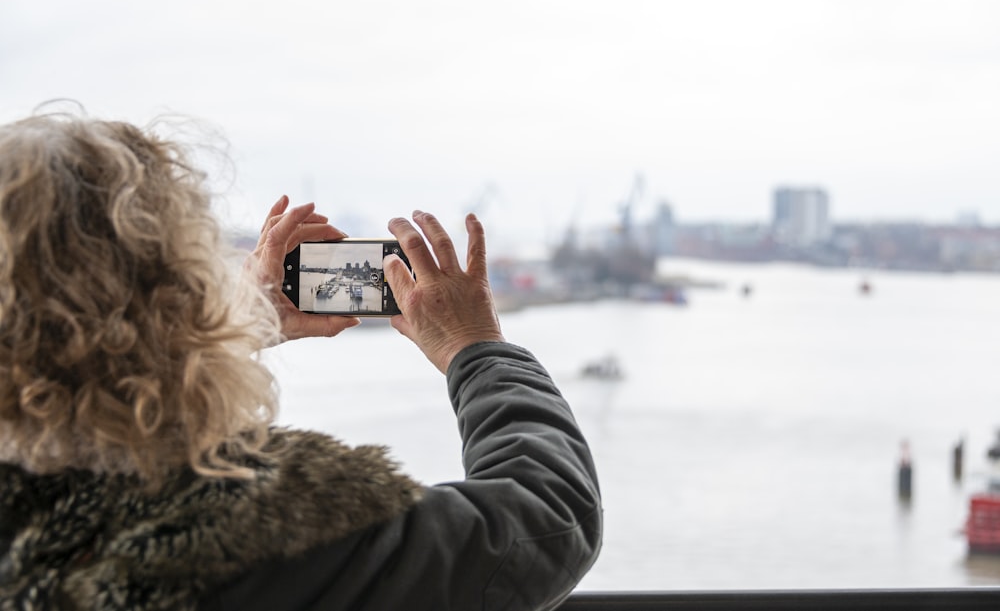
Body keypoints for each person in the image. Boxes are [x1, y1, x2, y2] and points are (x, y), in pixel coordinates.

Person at [0, 111, 602, 611]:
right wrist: (475, 348)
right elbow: (546, 521)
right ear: (179, 287)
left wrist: (233, 325)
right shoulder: (246, 528)